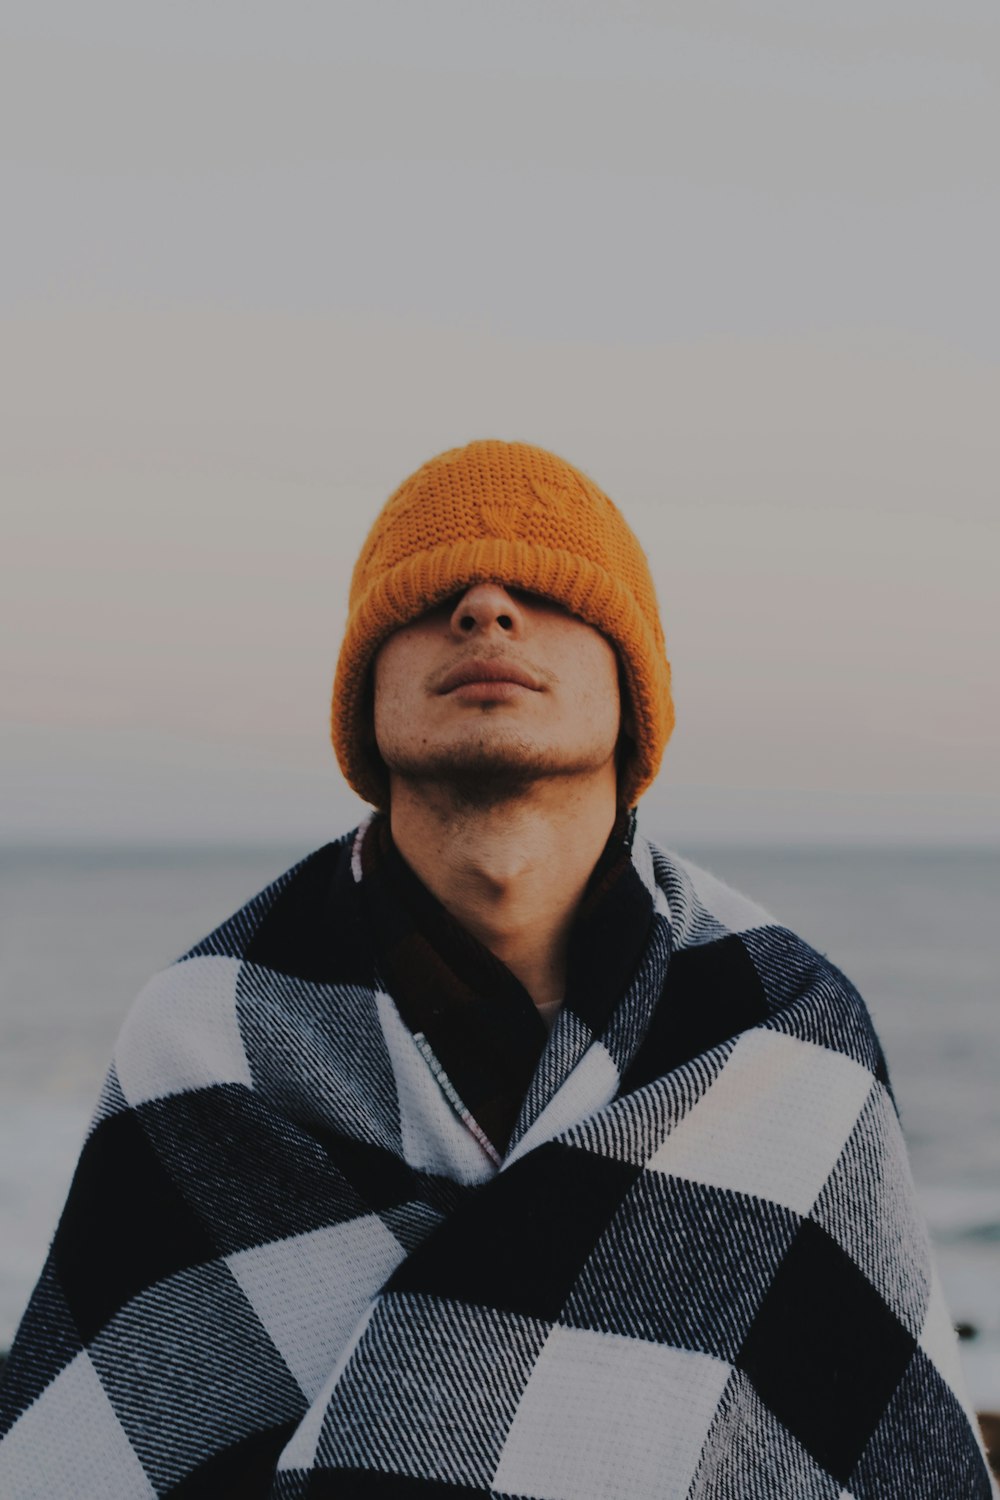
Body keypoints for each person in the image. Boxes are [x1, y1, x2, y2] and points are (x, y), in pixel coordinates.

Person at [0, 439, 993, 1498]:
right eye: (427, 598)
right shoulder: (203, 1037)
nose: (483, 605)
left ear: (631, 682)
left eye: (545, 589)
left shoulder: (787, 1036)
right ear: (363, 691)